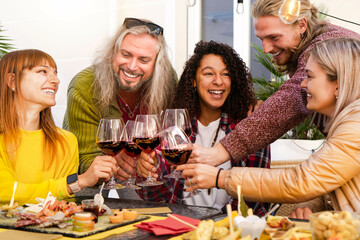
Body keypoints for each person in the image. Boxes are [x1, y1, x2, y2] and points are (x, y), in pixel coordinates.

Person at [178, 38, 360, 219]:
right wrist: (312, 204)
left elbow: (300, 182)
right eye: (209, 74)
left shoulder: (356, 126)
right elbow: (331, 182)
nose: (302, 85)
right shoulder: (345, 122)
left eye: (310, 76)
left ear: (338, 84)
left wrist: (220, 178)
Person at [187, 0, 360, 172]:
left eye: (274, 37)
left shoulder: (328, 45)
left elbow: (291, 100)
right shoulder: (315, 44)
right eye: (261, 39)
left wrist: (219, 153)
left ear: (301, 25)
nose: (266, 49)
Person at [136, 41, 270, 215]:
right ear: (193, 80)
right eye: (208, 73)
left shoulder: (249, 126)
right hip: (182, 225)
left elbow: (255, 195)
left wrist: (215, 224)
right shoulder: (175, 128)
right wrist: (149, 172)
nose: (218, 81)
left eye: (226, 74)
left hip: (233, 228)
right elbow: (153, 197)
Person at [63, 18, 177, 178]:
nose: (132, 66)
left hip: (143, 176)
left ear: (157, 64)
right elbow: (84, 159)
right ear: (112, 53)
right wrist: (112, 163)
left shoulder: (168, 80)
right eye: (125, 54)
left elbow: (174, 132)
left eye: (144, 60)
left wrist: (151, 159)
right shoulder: (84, 86)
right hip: (90, 179)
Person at [0, 49, 117, 205]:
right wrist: (78, 181)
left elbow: (61, 202)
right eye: (42, 71)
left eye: (55, 73)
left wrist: (70, 186)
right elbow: (5, 192)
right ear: (12, 81)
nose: (55, 80)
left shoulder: (66, 141)